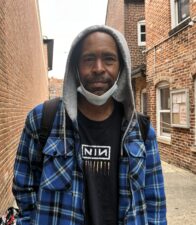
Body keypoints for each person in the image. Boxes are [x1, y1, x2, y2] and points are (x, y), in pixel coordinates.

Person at [12, 25, 167, 225]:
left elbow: (155, 202)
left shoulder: (142, 131)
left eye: (109, 59)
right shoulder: (42, 120)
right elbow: (24, 186)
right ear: (75, 66)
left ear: (122, 67)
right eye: (89, 59)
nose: (99, 68)